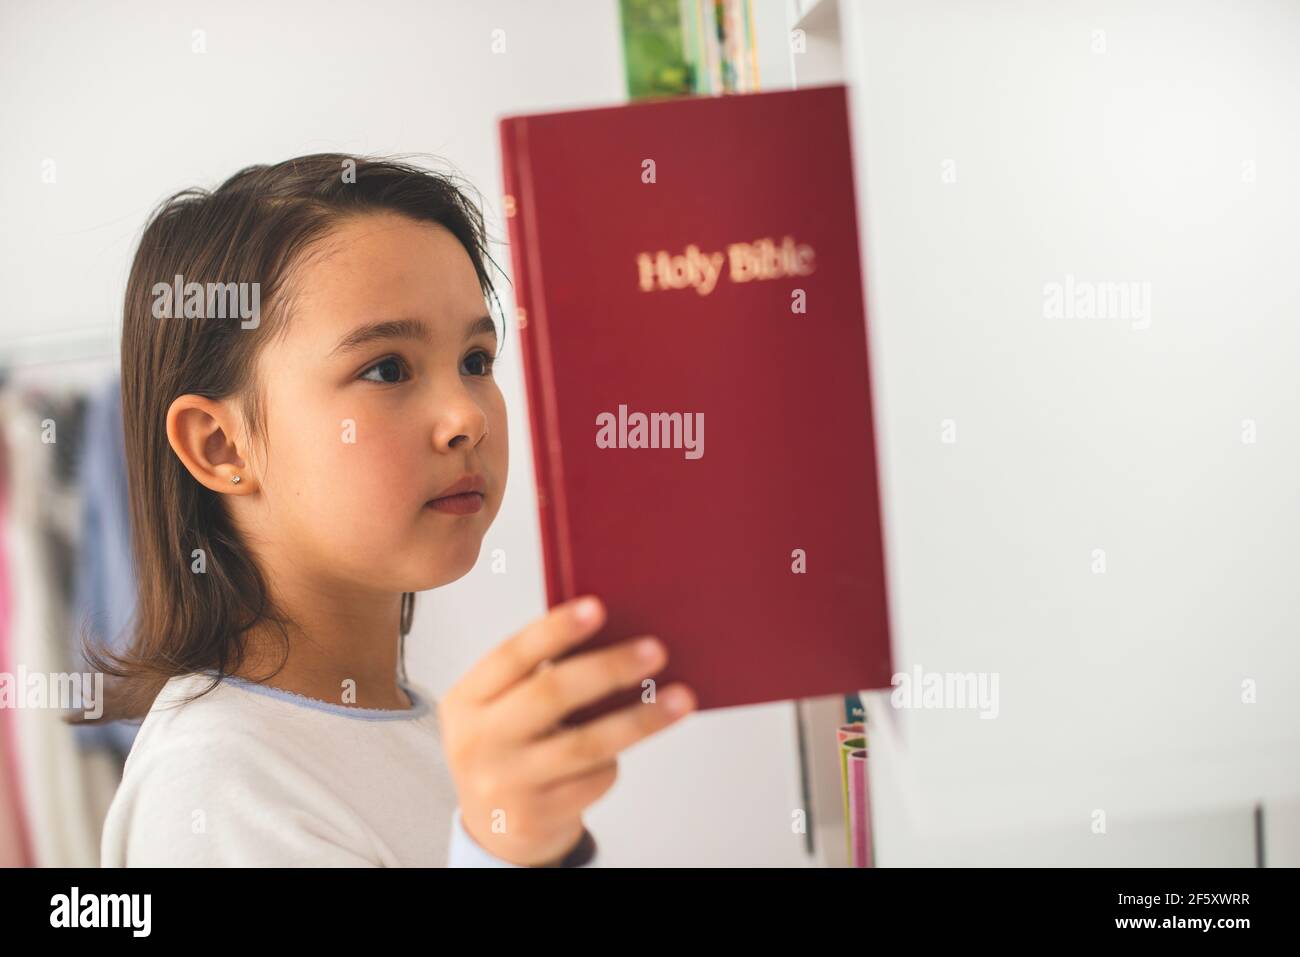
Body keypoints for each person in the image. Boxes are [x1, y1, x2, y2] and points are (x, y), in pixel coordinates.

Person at [83, 154, 697, 867]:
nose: (465, 416)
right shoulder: (215, 785)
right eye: (387, 369)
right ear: (221, 445)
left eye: (476, 359)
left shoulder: (418, 722)